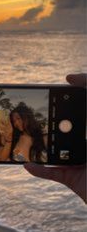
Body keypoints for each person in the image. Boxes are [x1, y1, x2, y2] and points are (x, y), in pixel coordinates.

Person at [24, 73, 86, 203]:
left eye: (21, 119)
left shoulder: (40, 136)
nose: (19, 123)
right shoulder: (20, 139)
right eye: (15, 120)